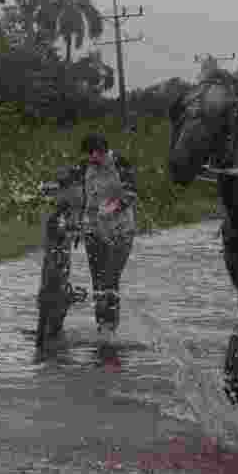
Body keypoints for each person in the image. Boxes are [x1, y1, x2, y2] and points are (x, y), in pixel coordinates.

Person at [66, 132, 138, 334]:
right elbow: (72, 190)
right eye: (88, 154)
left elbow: (131, 193)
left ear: (103, 151)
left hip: (120, 231)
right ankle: (101, 328)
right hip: (93, 231)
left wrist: (115, 207)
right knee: (97, 283)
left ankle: (111, 329)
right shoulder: (83, 167)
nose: (91, 158)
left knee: (110, 280)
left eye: (94, 154)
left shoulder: (120, 163)